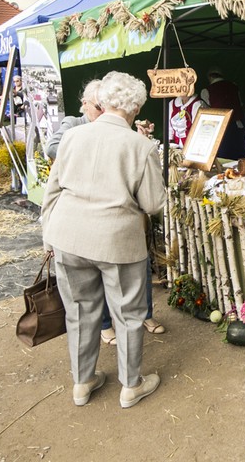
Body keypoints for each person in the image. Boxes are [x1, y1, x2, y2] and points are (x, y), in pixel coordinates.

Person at [42, 71, 166, 409]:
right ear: (135, 109)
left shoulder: (72, 137)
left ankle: (82, 383)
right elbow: (153, 204)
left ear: (104, 102)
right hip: (117, 242)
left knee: (80, 312)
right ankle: (131, 385)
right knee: (128, 313)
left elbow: (51, 191)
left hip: (68, 236)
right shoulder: (141, 146)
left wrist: (48, 235)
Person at [45, 80, 104, 161]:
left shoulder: (111, 128)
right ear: (85, 103)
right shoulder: (73, 123)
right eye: (99, 107)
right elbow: (51, 147)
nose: (104, 111)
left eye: (107, 107)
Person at [200, 68, 245, 159]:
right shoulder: (234, 86)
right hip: (237, 125)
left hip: (219, 127)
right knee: (239, 154)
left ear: (210, 77)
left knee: (224, 156)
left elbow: (207, 110)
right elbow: (240, 103)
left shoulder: (206, 90)